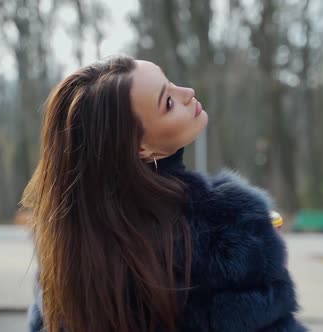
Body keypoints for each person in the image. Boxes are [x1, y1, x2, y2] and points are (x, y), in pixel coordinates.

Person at [23, 55, 307, 332]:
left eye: (170, 82)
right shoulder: (226, 231)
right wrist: (265, 250)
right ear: (140, 148)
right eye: (168, 102)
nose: (188, 93)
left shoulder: (69, 255)